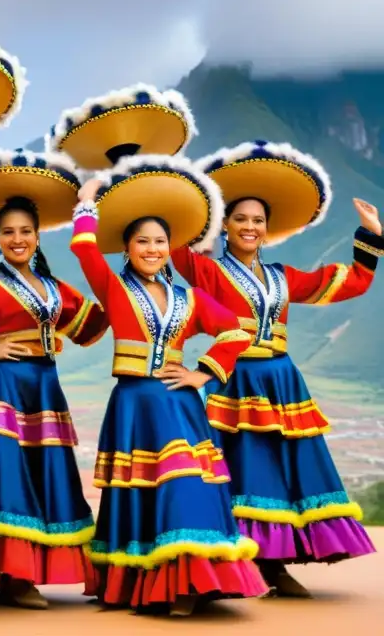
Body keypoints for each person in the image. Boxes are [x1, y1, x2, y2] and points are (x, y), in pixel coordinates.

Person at [174, 141, 383, 596]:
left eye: (257, 221)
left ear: (267, 230)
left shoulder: (284, 276)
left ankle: (275, 564)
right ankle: (238, 563)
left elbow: (347, 283)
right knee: (243, 468)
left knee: (285, 468)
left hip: (282, 379)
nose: (250, 227)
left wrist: (370, 234)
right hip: (235, 379)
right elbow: (175, 251)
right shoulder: (208, 271)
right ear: (224, 225)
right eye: (240, 219)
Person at [71, 163, 267, 616]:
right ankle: (142, 582)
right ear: (127, 247)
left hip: (180, 404)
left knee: (186, 485)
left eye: (161, 242)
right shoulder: (113, 287)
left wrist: (204, 372)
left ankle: (186, 581)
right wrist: (88, 201)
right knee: (140, 491)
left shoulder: (191, 299)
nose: (153, 249)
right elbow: (83, 248)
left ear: (170, 248)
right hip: (135, 405)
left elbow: (238, 331)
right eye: (143, 241)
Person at [0, 195, 108, 608]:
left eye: (25, 232)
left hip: (44, 385)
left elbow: (96, 322)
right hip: (3, 386)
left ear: (38, 238)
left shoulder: (56, 290)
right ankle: (15, 573)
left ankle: (30, 568)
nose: (17, 239)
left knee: (44, 472)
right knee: (9, 473)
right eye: (8, 232)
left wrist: (119, 283)